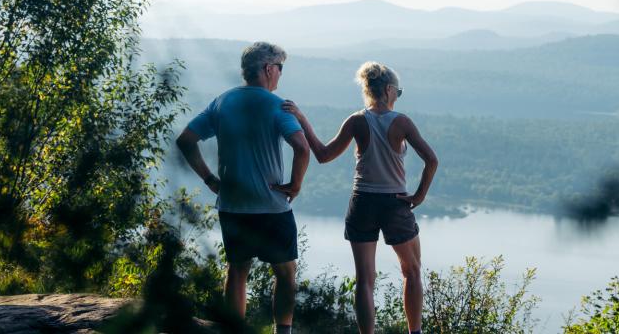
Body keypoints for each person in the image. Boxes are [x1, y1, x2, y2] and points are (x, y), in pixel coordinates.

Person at [283, 61, 438, 334]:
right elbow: (431, 160)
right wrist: (419, 196)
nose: (397, 96)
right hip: (395, 203)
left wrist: (301, 118)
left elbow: (322, 154)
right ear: (389, 90)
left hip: (362, 201)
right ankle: (415, 332)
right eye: (398, 92)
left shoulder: (356, 121)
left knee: (365, 279)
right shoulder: (401, 122)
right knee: (411, 271)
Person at [176, 41, 310, 334]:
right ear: (267, 69)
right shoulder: (279, 105)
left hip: (233, 204)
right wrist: (295, 185)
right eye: (280, 68)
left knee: (237, 271)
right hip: (272, 205)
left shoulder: (222, 102)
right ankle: (282, 331)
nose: (280, 75)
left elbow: (185, 140)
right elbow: (302, 148)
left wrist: (210, 179)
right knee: (286, 274)